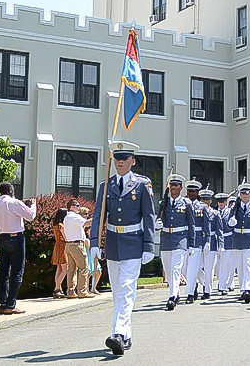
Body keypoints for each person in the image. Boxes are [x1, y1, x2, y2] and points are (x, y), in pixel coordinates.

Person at [90, 141, 156, 356]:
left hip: (134, 242)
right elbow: (99, 215)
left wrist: (148, 244)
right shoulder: (106, 185)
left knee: (127, 289)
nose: (120, 162)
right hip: (113, 242)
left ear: (132, 161)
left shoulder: (142, 185)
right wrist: (94, 243)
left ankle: (117, 333)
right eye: (117, 159)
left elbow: (149, 216)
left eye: (124, 159)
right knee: (119, 292)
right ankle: (126, 335)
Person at [0, 181, 36, 315]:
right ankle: (10, 304)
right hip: (15, 237)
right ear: (11, 190)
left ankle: (3, 303)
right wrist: (33, 205)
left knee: (3, 272)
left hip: (2, 237)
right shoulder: (13, 202)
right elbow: (30, 216)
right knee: (17, 272)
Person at [157, 173, 195, 311]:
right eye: (172, 185)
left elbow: (191, 224)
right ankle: (176, 292)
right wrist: (158, 223)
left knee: (175, 268)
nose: (173, 187)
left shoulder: (186, 203)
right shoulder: (164, 203)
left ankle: (172, 296)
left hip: (180, 239)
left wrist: (192, 243)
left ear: (181, 188)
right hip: (166, 239)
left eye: (176, 185)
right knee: (168, 269)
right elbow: (158, 217)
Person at [184, 180, 209, 304]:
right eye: (189, 191)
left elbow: (206, 225)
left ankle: (191, 292)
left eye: (193, 191)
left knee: (193, 267)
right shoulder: (182, 204)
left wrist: (207, 240)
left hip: (198, 239)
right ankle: (204, 282)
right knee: (184, 268)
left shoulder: (202, 207)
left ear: (197, 192)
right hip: (184, 238)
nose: (191, 193)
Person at [64, 199, 93, 299]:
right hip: (77, 245)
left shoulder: (67, 217)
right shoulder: (74, 216)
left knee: (71, 269)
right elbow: (87, 223)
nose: (79, 207)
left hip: (69, 244)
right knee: (84, 268)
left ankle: (71, 291)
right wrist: (98, 217)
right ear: (71, 207)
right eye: (77, 205)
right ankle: (82, 291)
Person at [51, 208, 69, 298]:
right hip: (63, 246)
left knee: (59, 268)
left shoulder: (55, 225)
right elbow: (65, 237)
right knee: (65, 268)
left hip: (57, 246)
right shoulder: (61, 225)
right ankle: (57, 288)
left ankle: (58, 288)